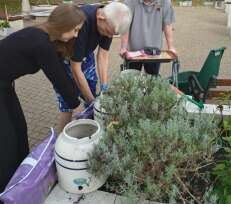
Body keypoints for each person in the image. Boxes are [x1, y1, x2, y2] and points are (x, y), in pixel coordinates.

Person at [0, 4, 85, 193]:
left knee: (19, 128)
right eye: (75, 29)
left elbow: (60, 71)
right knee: (6, 139)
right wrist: (77, 105)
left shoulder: (45, 39)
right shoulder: (40, 42)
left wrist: (76, 98)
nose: (76, 35)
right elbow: (57, 78)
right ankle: (7, 189)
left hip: (5, 85)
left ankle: (21, 175)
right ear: (63, 24)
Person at [55, 2, 132, 130]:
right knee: (68, 104)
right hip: (64, 60)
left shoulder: (110, 23)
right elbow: (75, 68)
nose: (109, 36)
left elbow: (103, 56)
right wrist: (92, 103)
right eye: (108, 32)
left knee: (91, 92)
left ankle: (90, 129)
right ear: (101, 18)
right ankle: (60, 139)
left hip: (86, 55)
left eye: (112, 34)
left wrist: (104, 87)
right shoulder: (82, 23)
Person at [120, 0, 176, 75]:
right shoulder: (129, 2)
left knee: (153, 80)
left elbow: (167, 25)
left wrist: (171, 47)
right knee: (132, 80)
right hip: (133, 52)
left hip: (154, 52)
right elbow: (126, 26)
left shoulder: (165, 2)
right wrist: (123, 47)